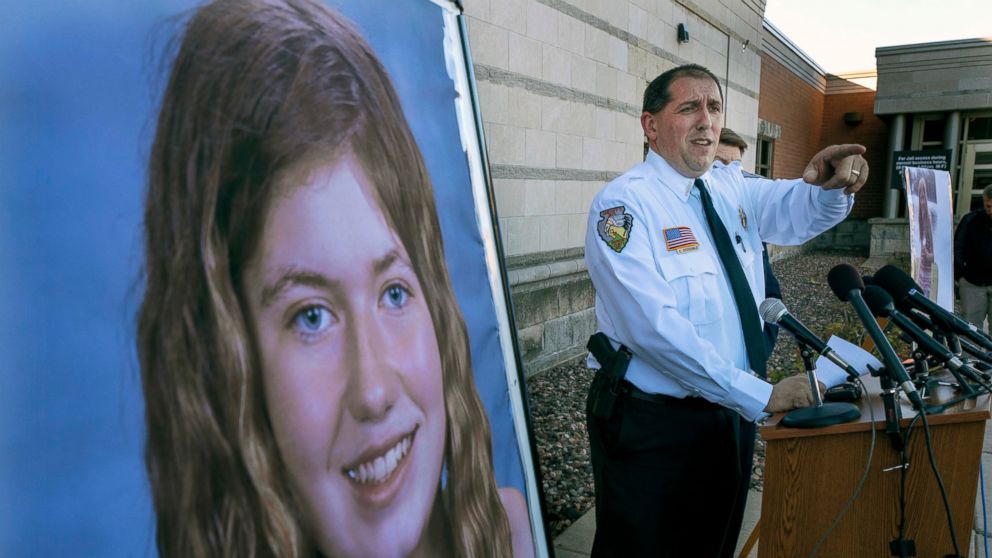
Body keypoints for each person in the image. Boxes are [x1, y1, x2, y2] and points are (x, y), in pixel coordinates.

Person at [137, 1, 533, 556]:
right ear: (225, 360)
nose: (373, 391)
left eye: (394, 293)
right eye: (311, 317)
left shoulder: (511, 533)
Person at [584, 63, 868, 557]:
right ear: (650, 126)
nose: (707, 121)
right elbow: (654, 331)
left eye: (714, 107)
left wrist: (832, 184)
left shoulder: (729, 186)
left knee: (712, 542)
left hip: (727, 416)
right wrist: (760, 393)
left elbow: (796, 209)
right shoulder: (623, 207)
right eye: (688, 107)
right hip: (655, 427)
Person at [715, 127, 784, 354]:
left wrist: (762, 346)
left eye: (735, 166)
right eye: (718, 164)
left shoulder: (747, 222)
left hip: (746, 355)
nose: (729, 174)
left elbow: (769, 289)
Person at [954, 184, 992, 332]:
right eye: (988, 206)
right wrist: (961, 274)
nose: (991, 210)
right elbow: (958, 247)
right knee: (971, 329)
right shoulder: (971, 220)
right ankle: (970, 356)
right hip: (972, 283)